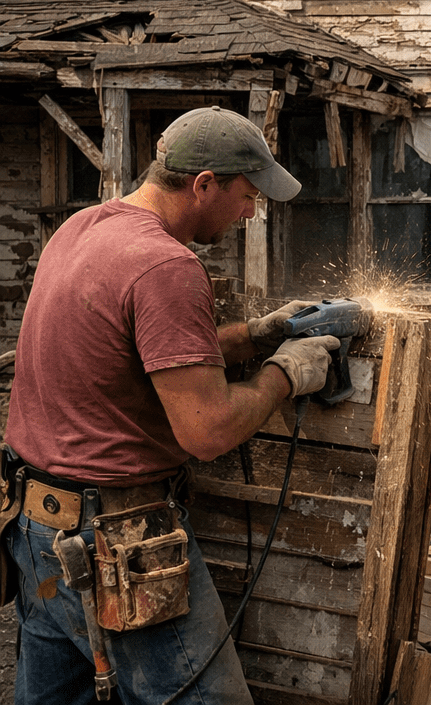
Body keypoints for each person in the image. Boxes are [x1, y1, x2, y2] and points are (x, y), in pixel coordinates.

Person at [0, 105, 340, 705]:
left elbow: (131, 359)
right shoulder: (167, 265)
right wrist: (284, 375)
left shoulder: (81, 229)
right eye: (245, 194)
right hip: (116, 538)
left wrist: (252, 334)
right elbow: (206, 430)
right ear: (204, 184)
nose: (251, 211)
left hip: (35, 525)